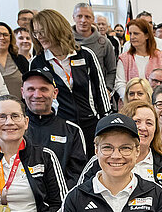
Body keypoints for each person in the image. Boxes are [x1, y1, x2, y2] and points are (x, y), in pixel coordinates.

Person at [30, 9, 110, 154]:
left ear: (56, 28)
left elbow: (100, 90)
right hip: (61, 127)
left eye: (43, 31)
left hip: (91, 123)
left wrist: (105, 122)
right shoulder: (37, 63)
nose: (39, 36)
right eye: (36, 33)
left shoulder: (85, 55)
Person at [21, 70, 87, 188]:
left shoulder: (71, 130)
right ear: (22, 92)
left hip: (61, 201)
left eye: (44, 89)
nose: (37, 95)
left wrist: (59, 198)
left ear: (55, 93)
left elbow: (78, 174)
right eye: (31, 89)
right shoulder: (11, 129)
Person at [73, 3, 118, 99]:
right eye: (79, 16)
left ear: (93, 19)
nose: (83, 20)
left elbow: (112, 70)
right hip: (74, 97)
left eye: (87, 17)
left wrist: (107, 89)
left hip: (98, 94)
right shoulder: (65, 42)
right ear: (74, 17)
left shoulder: (104, 43)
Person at [115, 19, 162, 99]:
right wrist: (131, 98)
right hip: (130, 104)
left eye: (136, 34)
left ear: (147, 36)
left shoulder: (160, 57)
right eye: (130, 33)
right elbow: (120, 84)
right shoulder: (124, 58)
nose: (132, 37)